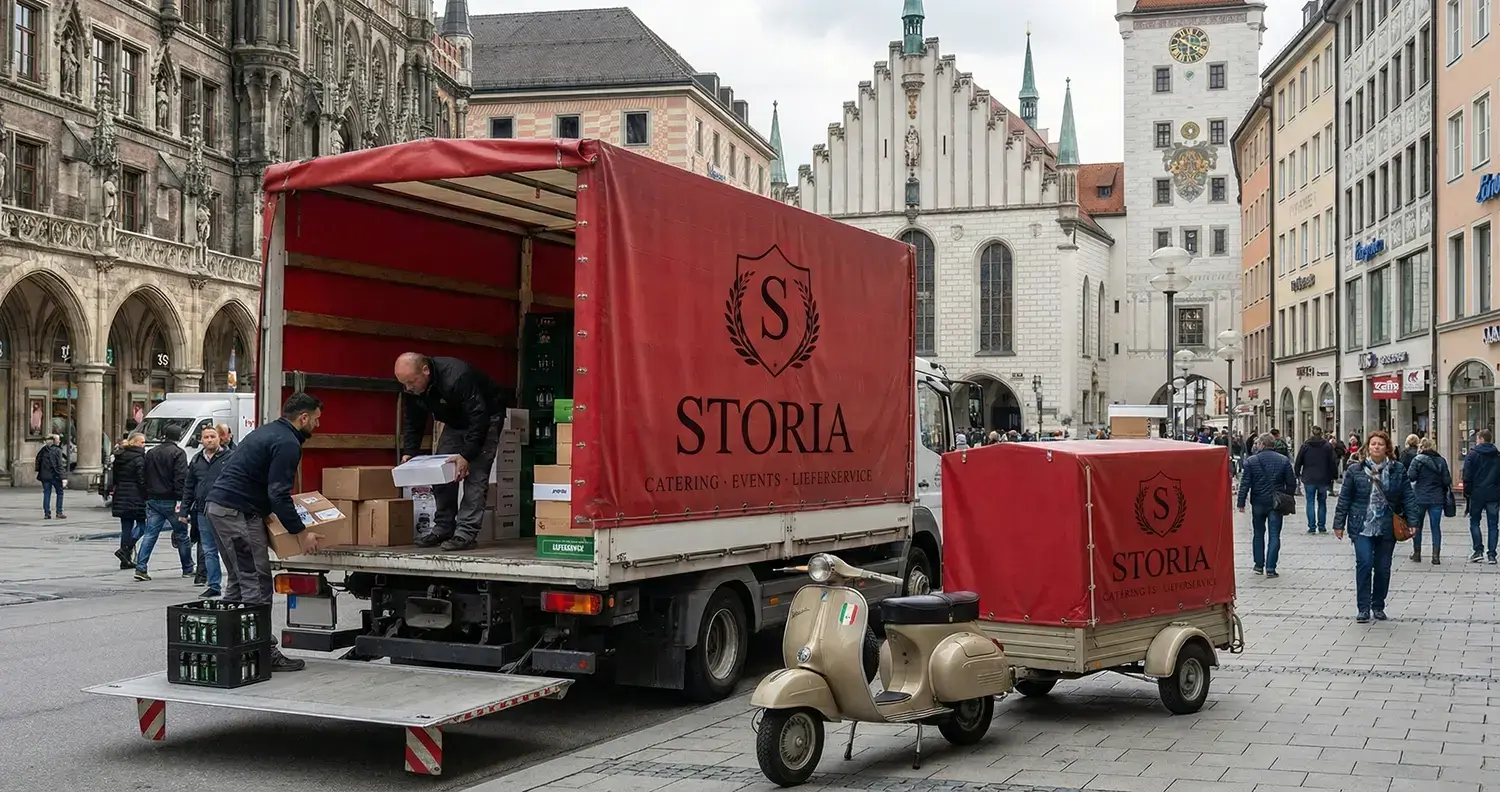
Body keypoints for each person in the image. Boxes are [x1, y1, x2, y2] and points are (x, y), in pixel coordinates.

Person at [205, 393, 325, 673]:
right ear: (303, 418)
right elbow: (278, 492)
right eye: (316, 419)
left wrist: (262, 508)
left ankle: (225, 645)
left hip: (222, 509)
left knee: (238, 581)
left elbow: (255, 478)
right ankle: (263, 651)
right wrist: (301, 532)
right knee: (256, 583)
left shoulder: (269, 431)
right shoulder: (287, 443)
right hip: (235, 514)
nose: (318, 425)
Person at [395, 353, 509, 551]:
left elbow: (478, 417)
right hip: (455, 421)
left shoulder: (457, 376)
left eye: (411, 382)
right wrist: (410, 452)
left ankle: (466, 533)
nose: (408, 388)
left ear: (426, 371)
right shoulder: (412, 387)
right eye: (403, 384)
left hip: (486, 417)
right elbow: (413, 420)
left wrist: (466, 456)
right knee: (441, 472)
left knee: (475, 474)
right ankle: (444, 527)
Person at [1333, 430, 1405, 623]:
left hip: (1386, 526)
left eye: (1380, 444)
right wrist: (1338, 524)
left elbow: (1407, 496)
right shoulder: (1356, 470)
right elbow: (1345, 498)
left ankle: (1378, 605)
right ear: (1367, 447)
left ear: (1387, 448)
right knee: (1364, 564)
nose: (1376, 447)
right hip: (1362, 525)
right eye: (1373, 444)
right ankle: (1363, 608)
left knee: (1383, 568)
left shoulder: (1397, 469)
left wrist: (1413, 521)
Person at [135, 424, 190, 582]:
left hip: (153, 498)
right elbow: (181, 477)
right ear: (178, 436)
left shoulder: (151, 452)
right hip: (171, 499)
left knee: (150, 534)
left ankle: (141, 567)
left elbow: (143, 474)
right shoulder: (178, 453)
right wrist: (182, 499)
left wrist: (146, 493)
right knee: (181, 534)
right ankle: (187, 568)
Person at [182, 426, 232, 597]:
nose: (209, 440)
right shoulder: (197, 460)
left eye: (212, 436)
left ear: (220, 438)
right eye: (206, 437)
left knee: (229, 549)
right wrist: (183, 511)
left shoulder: (230, 458)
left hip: (225, 510)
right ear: (201, 440)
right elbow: (189, 487)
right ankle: (214, 585)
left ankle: (236, 583)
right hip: (203, 511)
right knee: (209, 550)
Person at [1237, 433, 1296, 578]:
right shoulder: (1283, 460)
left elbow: (1245, 483)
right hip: (1276, 503)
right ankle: (1270, 568)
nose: (1256, 446)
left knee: (1258, 533)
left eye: (1257, 444)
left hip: (1258, 502)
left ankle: (1258, 565)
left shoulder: (1251, 461)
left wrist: (1241, 502)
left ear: (1262, 444)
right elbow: (1291, 482)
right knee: (1274, 534)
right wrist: (1286, 496)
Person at [1407, 437, 1452, 565]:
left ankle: (1417, 553)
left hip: (1419, 497)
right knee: (1435, 527)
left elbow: (1411, 476)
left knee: (1417, 526)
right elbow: (1446, 480)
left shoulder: (1417, 460)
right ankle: (1435, 556)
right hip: (1436, 498)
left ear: (1421, 446)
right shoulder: (1441, 461)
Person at [1461, 428, 1500, 564]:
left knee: (1474, 522)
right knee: (1493, 525)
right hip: (1493, 494)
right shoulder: (1497, 455)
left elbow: (1467, 475)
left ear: (1481, 439)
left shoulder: (1472, 455)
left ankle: (1478, 550)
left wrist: (1467, 491)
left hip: (1476, 494)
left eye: (1477, 439)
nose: (1476, 441)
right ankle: (1492, 554)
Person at [110, 433, 147, 570]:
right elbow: (141, 479)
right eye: (142, 442)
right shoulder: (139, 459)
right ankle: (126, 550)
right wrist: (146, 494)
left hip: (121, 493)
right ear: (135, 443)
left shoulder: (119, 457)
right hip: (135, 495)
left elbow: (114, 478)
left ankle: (124, 560)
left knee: (126, 528)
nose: (144, 445)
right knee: (142, 525)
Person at [1294, 426, 1339, 534]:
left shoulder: (1305, 445)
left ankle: (1312, 526)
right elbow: (1333, 462)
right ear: (1321, 433)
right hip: (1323, 478)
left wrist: (1297, 474)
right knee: (1322, 502)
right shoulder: (1327, 446)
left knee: (1310, 502)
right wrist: (1334, 475)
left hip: (1308, 478)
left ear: (1311, 433)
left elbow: (1298, 460)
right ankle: (1322, 526)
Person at [35, 434, 68, 519]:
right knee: (60, 493)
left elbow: (38, 461)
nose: (59, 441)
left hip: (45, 476)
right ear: (54, 441)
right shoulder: (57, 450)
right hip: (55, 476)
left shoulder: (43, 450)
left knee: (47, 493)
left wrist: (40, 471)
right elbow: (59, 465)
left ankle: (47, 513)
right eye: (58, 440)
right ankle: (59, 512)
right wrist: (63, 477)